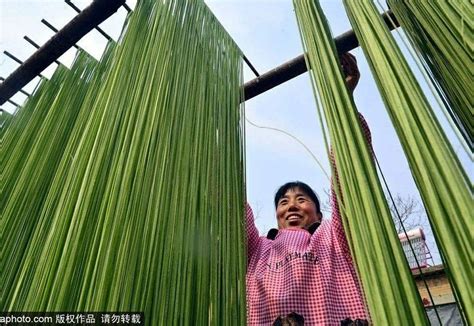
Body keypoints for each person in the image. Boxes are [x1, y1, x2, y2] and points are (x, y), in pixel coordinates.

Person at [245, 53, 371, 325]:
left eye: (301, 199)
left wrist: (344, 102)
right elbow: (231, 208)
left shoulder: (334, 237)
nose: (291, 205)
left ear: (317, 212)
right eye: (283, 202)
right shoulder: (258, 248)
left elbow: (350, 186)